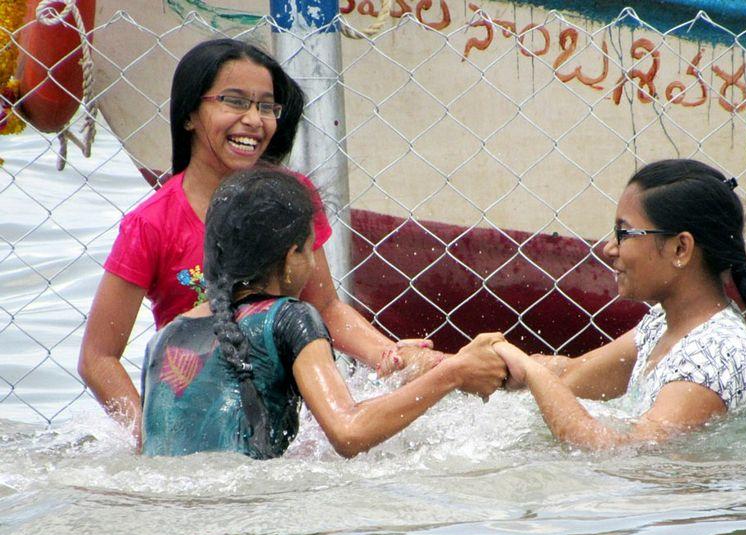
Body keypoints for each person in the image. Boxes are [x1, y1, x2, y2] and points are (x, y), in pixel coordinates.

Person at [79, 39, 439, 445]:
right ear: (189, 115)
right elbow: (98, 357)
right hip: (203, 411)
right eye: (234, 101)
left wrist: (390, 356)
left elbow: (326, 307)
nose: (254, 119)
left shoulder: (292, 197)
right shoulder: (151, 223)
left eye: (267, 106)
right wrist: (150, 437)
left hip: (289, 404)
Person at [141, 167, 507, 458]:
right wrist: (454, 374)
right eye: (310, 249)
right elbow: (349, 432)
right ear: (290, 258)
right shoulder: (289, 317)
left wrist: (392, 374)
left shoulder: (163, 339)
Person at [492, 159, 746, 450]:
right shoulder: (664, 324)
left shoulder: (713, 357)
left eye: (625, 233)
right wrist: (490, 361)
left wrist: (533, 373)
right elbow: (573, 374)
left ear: (681, 248)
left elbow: (623, 453)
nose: (610, 248)